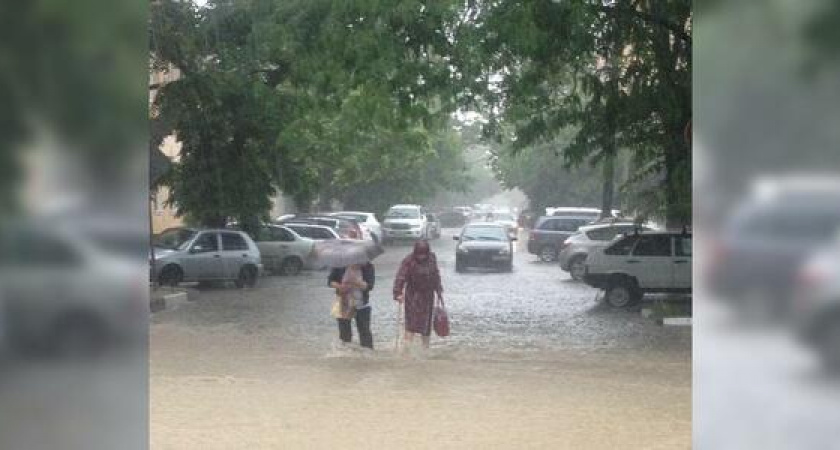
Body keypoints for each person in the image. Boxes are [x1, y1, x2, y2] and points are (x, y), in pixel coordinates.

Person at [393, 240, 443, 349]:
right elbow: (400, 277)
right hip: (413, 296)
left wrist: (439, 290)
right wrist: (398, 293)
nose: (422, 257)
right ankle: (407, 350)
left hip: (428, 296)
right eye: (420, 254)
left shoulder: (432, 259)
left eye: (424, 254)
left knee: (426, 326)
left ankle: (425, 349)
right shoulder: (409, 261)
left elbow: (436, 274)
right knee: (411, 324)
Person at [329, 261, 376, 349]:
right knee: (344, 334)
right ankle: (346, 356)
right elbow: (330, 281)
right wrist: (339, 286)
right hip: (344, 303)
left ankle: (368, 357)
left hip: (362, 304)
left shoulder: (368, 267)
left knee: (365, 333)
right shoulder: (339, 265)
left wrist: (357, 282)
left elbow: (370, 286)